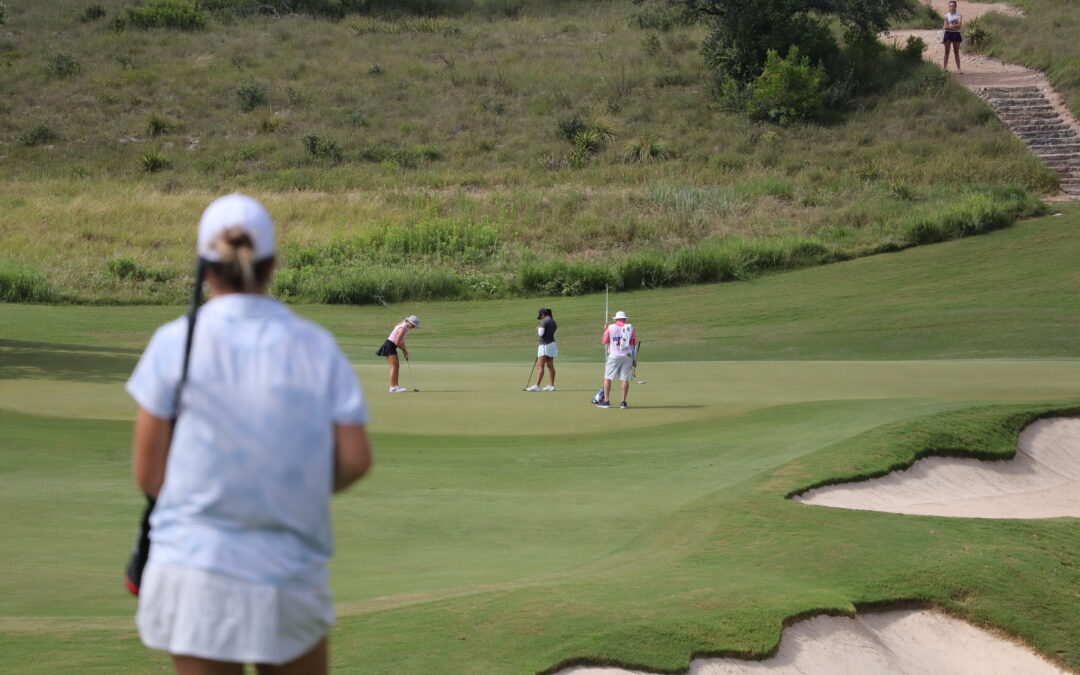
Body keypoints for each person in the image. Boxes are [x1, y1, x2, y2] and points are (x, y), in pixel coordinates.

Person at [126, 194, 373, 675]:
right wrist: (290, 488)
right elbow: (355, 457)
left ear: (205, 267)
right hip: (285, 569)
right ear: (272, 265)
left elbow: (149, 474)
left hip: (194, 566)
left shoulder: (174, 341)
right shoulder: (313, 345)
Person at [597, 310, 637, 409]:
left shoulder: (610, 327)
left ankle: (606, 401)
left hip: (614, 355)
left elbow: (604, 341)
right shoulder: (630, 328)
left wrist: (605, 330)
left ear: (616, 319)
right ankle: (623, 402)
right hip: (627, 356)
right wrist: (634, 359)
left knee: (608, 377)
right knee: (625, 378)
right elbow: (633, 345)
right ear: (624, 319)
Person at [376, 315, 420, 393]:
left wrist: (405, 350)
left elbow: (401, 342)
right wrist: (404, 349)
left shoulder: (405, 327)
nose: (413, 327)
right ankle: (393, 387)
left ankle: (396, 386)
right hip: (389, 346)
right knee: (394, 366)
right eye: (413, 325)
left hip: (391, 346)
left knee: (396, 366)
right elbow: (397, 342)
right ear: (409, 322)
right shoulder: (403, 328)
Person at [525, 308, 557, 392]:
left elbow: (541, 333)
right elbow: (554, 335)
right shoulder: (553, 322)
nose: (541, 317)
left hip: (544, 345)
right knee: (550, 365)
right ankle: (552, 385)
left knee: (540, 366)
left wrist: (538, 328)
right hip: (552, 344)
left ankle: (537, 386)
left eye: (541, 315)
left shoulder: (544, 321)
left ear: (543, 314)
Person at [943, 1, 963, 74]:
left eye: (953, 6)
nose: (952, 7)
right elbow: (945, 27)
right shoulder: (946, 16)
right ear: (949, 7)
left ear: (955, 7)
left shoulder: (959, 15)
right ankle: (944, 68)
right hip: (948, 34)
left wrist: (950, 27)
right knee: (946, 52)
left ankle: (958, 69)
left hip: (956, 34)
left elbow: (959, 26)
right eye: (950, 6)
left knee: (956, 52)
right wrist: (954, 27)